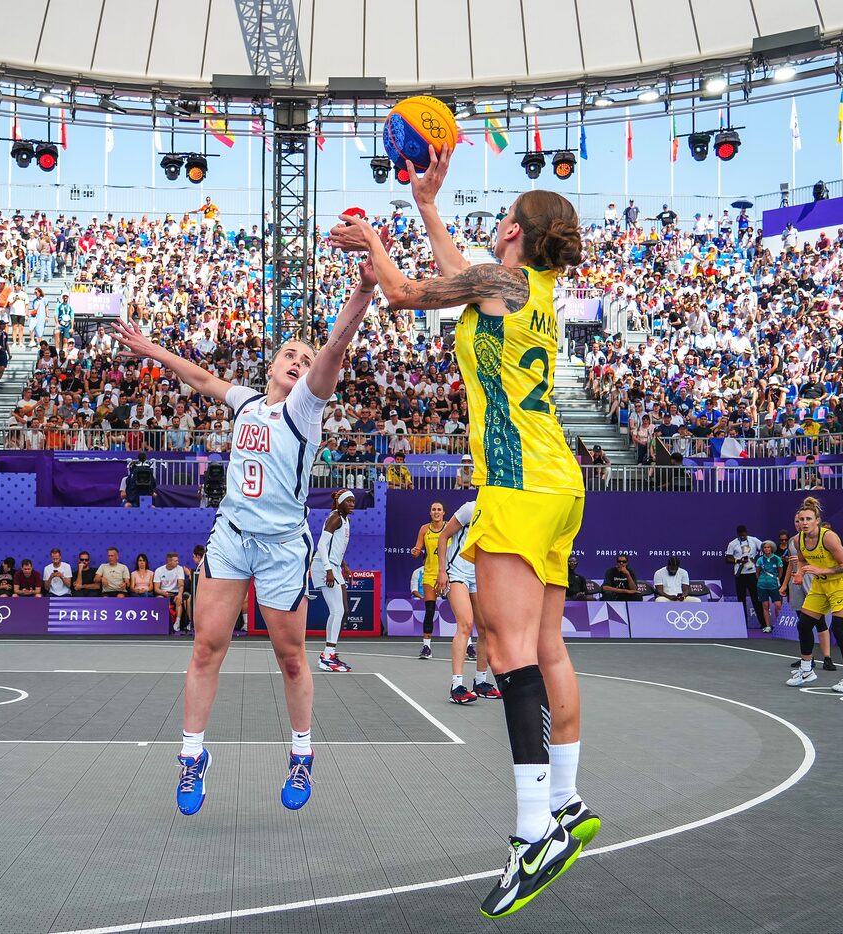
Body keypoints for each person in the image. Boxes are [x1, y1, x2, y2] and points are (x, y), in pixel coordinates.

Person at [332, 152, 595, 917]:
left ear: (511, 230)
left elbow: (411, 292)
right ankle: (568, 803)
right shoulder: (527, 288)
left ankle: (532, 832)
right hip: (559, 481)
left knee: (506, 654)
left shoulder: (501, 282)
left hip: (518, 481)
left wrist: (372, 241)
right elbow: (460, 279)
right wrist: (424, 206)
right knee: (546, 649)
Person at [110, 243, 377, 817]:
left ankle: (301, 754)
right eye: (289, 353)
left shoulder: (304, 410)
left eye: (304, 359)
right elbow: (203, 379)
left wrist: (362, 291)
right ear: (272, 365)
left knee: (290, 658)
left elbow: (333, 347)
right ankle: (191, 758)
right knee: (207, 647)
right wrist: (151, 348)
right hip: (231, 536)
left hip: (282, 547)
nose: (298, 360)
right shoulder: (250, 402)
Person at [786, 497, 843, 693]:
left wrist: (820, 570)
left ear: (817, 520)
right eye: (801, 520)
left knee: (840, 629)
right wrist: (800, 573)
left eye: (808, 519)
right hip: (819, 587)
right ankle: (807, 670)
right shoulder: (797, 539)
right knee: (804, 624)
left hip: (840, 586)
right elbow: (801, 560)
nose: (804, 523)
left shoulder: (829, 538)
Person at [435, 499, 501, 704]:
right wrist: (441, 571)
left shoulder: (503, 512)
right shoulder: (470, 508)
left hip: (480, 576)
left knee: (486, 630)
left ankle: (480, 682)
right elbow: (443, 536)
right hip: (457, 573)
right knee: (465, 624)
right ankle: (456, 686)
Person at [312, 490, 357, 672]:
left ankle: (330, 652)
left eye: (354, 501)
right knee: (337, 610)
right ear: (340, 503)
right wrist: (329, 570)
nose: (352, 504)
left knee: (343, 610)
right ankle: (327, 655)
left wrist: (344, 565)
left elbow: (335, 547)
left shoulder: (346, 519)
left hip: (334, 566)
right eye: (348, 501)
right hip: (325, 566)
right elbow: (321, 545)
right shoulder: (335, 518)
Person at [782, 518, 834, 667]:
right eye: (797, 521)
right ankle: (807, 658)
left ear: (814, 521)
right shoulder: (793, 540)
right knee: (802, 623)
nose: (800, 523)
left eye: (804, 520)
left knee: (820, 622)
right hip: (796, 583)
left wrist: (803, 563)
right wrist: (785, 585)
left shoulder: (820, 539)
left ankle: (827, 658)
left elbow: (825, 562)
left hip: (813, 581)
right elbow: (791, 566)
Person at [410, 501, 447, 659]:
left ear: (443, 513)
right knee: (430, 610)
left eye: (439, 509)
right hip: (430, 574)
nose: (436, 512)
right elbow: (417, 550)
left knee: (460, 612)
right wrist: (415, 551)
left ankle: (468, 647)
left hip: (448, 574)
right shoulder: (424, 529)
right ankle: (426, 648)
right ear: (430, 513)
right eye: (434, 509)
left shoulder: (450, 527)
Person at [725, 525, 767, 631]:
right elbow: (727, 559)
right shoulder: (733, 543)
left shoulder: (754, 540)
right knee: (741, 599)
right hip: (740, 574)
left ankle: (763, 623)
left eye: (744, 535)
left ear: (746, 532)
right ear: (738, 534)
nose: (743, 537)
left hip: (752, 573)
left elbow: (766, 549)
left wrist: (756, 560)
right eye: (741, 535)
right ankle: (742, 624)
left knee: (756, 599)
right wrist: (738, 561)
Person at [153, 552, 188, 632]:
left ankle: (177, 622)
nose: (178, 562)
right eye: (175, 561)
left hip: (175, 592)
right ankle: (161, 623)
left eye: (177, 560)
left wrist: (179, 594)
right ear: (169, 561)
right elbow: (156, 588)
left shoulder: (179, 569)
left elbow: (181, 584)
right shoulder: (159, 570)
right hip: (163, 592)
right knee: (159, 599)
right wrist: (163, 593)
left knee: (178, 600)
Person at [755, 541, 785, 634]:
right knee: (765, 606)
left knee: (778, 605)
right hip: (762, 585)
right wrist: (761, 580)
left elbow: (780, 572)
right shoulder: (760, 560)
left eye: (768, 547)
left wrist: (776, 580)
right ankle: (768, 626)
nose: (767, 549)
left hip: (774, 586)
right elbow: (757, 573)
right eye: (765, 547)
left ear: (772, 548)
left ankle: (778, 625)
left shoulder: (777, 559)